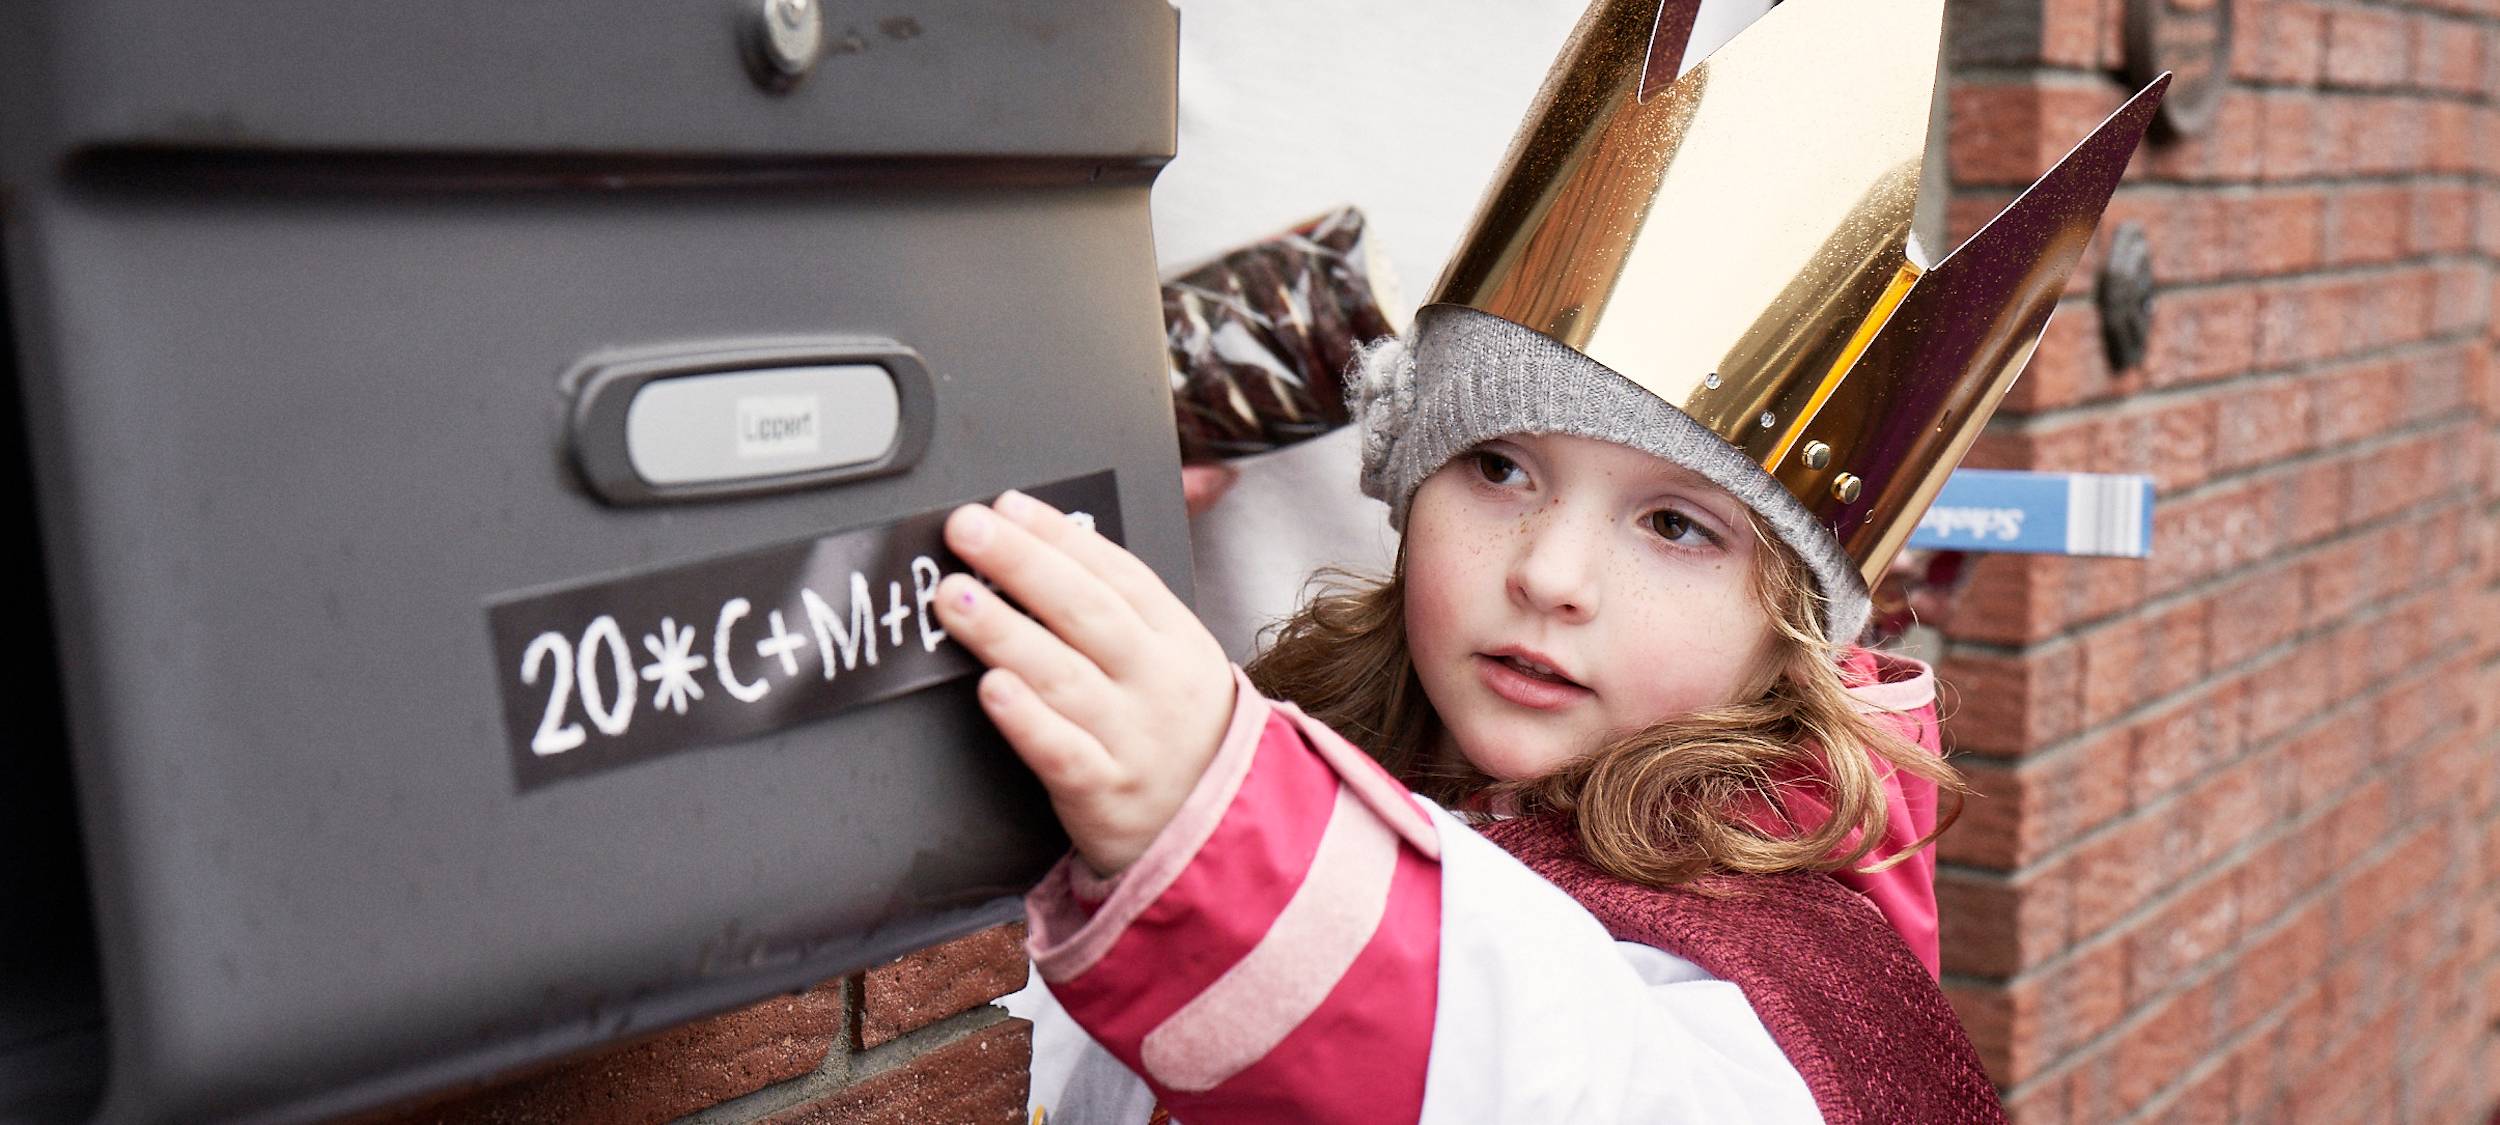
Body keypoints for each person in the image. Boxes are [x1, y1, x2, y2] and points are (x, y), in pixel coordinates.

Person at [930, 0, 2167, 1118]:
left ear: (1794, 623)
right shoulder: (1354, 750)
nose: (1551, 575)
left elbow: (1530, 1069)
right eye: (1498, 469)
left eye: (1677, 525)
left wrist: (1216, 826)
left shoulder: (1791, 976)